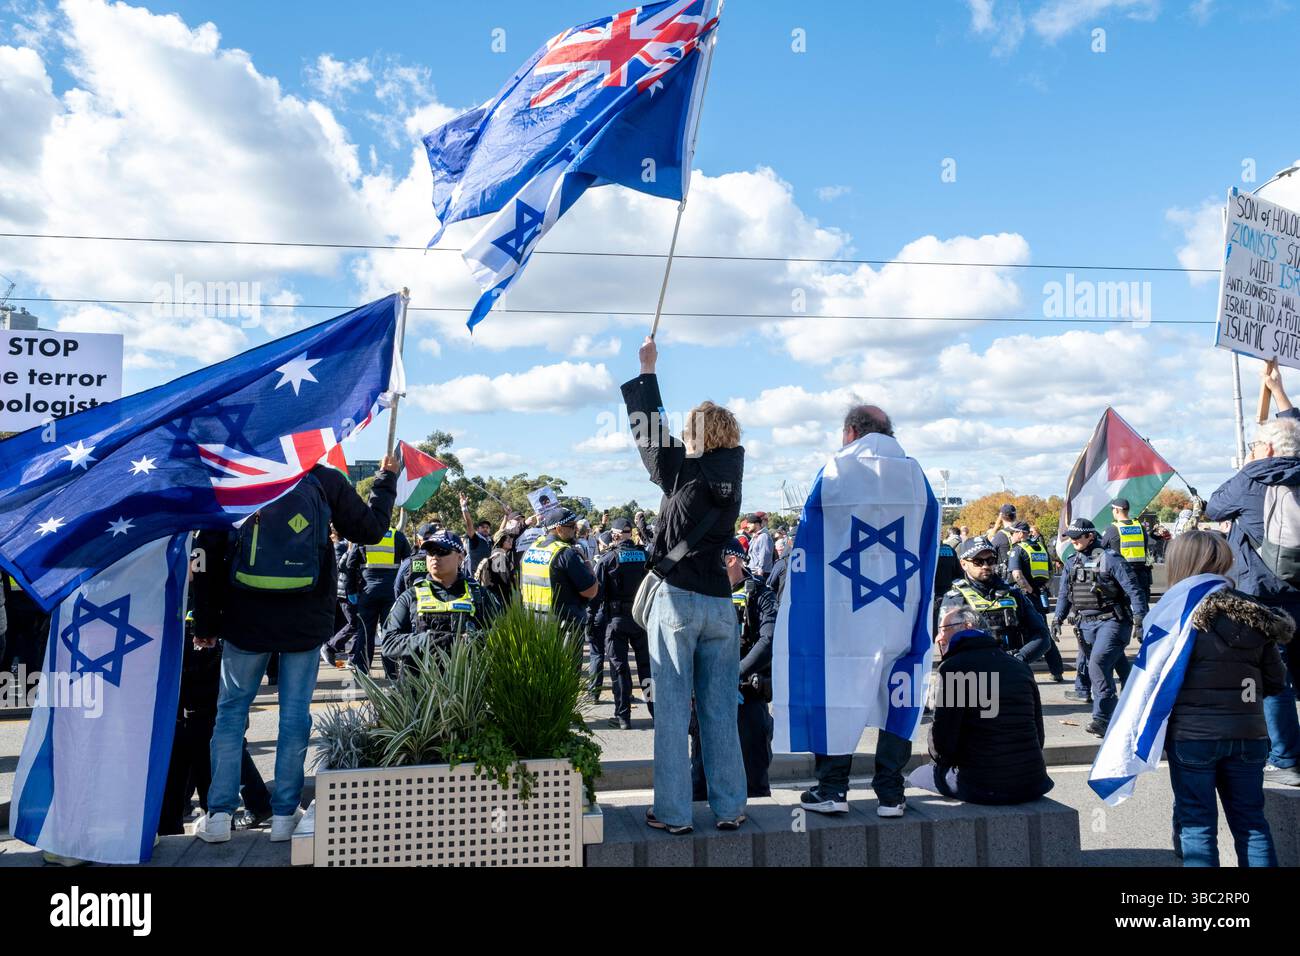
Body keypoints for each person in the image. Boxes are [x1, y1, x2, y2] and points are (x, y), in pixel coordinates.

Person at [192, 455, 398, 844]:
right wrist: (386, 478)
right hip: (305, 617)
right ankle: (285, 815)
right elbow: (370, 530)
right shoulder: (322, 479)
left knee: (231, 713)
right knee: (294, 714)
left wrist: (205, 622)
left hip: (243, 617)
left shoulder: (241, 476)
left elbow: (208, 550)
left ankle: (219, 814)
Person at [622, 335, 747, 834]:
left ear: (693, 434)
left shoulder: (682, 472)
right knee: (720, 712)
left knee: (673, 713)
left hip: (676, 602)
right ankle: (731, 807)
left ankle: (673, 812)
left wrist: (648, 371)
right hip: (722, 605)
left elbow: (649, 436)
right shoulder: (733, 477)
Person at [799, 403, 927, 820]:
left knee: (837, 690)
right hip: (899, 607)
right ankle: (891, 792)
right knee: (900, 692)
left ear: (851, 432)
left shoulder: (835, 470)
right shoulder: (914, 473)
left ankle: (832, 787)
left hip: (843, 608)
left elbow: (810, 537)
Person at [1162, 530, 1289, 867]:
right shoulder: (1255, 614)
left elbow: (1153, 684)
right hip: (1249, 733)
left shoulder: (1174, 614)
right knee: (1251, 823)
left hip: (1192, 735)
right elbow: (1276, 682)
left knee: (1197, 825)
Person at [1204, 406, 1300, 786]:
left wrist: (1245, 465)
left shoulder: (1251, 479)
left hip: (1262, 595)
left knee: (1273, 680)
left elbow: (1214, 506)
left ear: (1270, 450)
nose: (1253, 448)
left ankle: (1286, 758)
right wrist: (1280, 397)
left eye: (1257, 444)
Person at [908, 606, 1053, 805]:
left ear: (966, 627)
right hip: (1033, 780)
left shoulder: (954, 668)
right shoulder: (1019, 666)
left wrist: (942, 764)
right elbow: (1039, 733)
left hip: (983, 785)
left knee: (916, 775)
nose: (938, 638)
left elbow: (942, 744)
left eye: (943, 629)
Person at [691, 539, 777, 798]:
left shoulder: (760, 594)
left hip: (747, 693)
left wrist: (733, 673)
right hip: (708, 694)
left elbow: (769, 639)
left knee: (752, 774)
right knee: (701, 776)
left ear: (731, 560)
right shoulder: (701, 593)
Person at [1053, 518, 1147, 738]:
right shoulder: (1071, 561)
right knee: (1119, 665)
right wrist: (1057, 618)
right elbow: (1065, 595)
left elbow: (1134, 590)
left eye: (1078, 537)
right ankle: (1138, 703)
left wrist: (1141, 618)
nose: (1073, 540)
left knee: (1098, 665)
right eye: (1071, 537)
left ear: (1090, 537)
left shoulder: (1110, 559)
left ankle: (1102, 719)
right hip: (1085, 625)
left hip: (1112, 622)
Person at [382, 532, 496, 671]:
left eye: (442, 552)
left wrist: (468, 640)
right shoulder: (411, 596)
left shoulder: (480, 595)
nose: (435, 557)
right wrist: (428, 640)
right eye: (430, 552)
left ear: (460, 558)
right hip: (420, 687)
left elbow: (502, 635)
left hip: (467, 686)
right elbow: (388, 643)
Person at [939, 536, 1052, 665]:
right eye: (978, 561)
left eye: (990, 560)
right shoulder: (955, 598)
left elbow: (1042, 636)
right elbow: (946, 643)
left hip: (1012, 669)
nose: (986, 566)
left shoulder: (1013, 594)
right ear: (963, 564)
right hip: (976, 673)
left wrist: (1020, 658)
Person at [593, 518, 653, 729]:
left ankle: (623, 717)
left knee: (620, 669)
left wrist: (594, 622)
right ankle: (655, 710)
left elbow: (597, 595)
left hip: (616, 620)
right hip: (642, 620)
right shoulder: (646, 556)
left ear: (615, 535)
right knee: (647, 669)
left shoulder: (607, 559)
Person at [342, 518, 411, 674]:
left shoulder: (363, 536)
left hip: (367, 592)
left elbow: (350, 566)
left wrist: (351, 591)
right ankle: (391, 672)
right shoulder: (398, 536)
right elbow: (409, 564)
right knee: (390, 632)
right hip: (392, 593)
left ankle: (361, 672)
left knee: (365, 633)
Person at [1005, 520, 1066, 681]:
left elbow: (1017, 574)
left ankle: (1017, 669)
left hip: (1023, 595)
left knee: (1018, 632)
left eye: (1012, 533)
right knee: (1042, 632)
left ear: (1020, 534)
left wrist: (1027, 589)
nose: (1011, 536)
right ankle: (1057, 670)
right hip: (1039, 595)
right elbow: (1050, 572)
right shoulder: (1040, 548)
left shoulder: (1017, 550)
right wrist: (1039, 589)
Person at [521, 508, 599, 630]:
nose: (576, 530)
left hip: (534, 622)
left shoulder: (531, 549)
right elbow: (591, 591)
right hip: (563, 626)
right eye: (572, 526)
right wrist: (587, 562)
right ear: (558, 529)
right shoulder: (566, 554)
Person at [1101, 498, 1152, 606]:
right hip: (1141, 574)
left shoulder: (1113, 529)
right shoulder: (1140, 527)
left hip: (1122, 575)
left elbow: (1101, 548)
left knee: (1125, 609)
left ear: (1117, 510)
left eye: (1112, 509)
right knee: (1141, 606)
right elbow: (1145, 547)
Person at [392, 522, 437, 599]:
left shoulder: (408, 563)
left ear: (419, 542)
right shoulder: (447, 561)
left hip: (414, 607)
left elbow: (397, 588)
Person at [459, 494, 493, 578]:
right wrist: (464, 508)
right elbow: (469, 524)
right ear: (477, 529)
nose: (485, 529)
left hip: (487, 577)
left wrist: (506, 516)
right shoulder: (474, 538)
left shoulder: (490, 540)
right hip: (474, 577)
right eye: (482, 527)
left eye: (487, 527)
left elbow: (501, 531)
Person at [744, 512, 773, 583]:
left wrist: (760, 573)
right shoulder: (755, 537)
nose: (747, 526)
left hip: (760, 574)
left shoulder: (763, 536)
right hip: (754, 573)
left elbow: (764, 555)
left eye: (749, 523)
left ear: (756, 524)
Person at [988, 503, 1018, 571]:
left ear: (1001, 517)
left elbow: (989, 551)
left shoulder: (1000, 535)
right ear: (1015, 516)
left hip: (1007, 577)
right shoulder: (1023, 533)